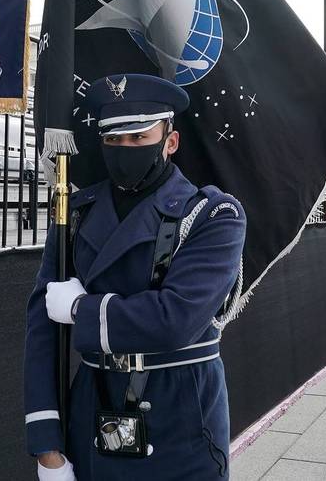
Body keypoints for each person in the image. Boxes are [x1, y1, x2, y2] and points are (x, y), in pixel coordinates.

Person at [23, 74, 246, 480]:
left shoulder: (213, 215)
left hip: (180, 414)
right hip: (94, 407)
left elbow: (174, 320)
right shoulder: (76, 211)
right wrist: (47, 448)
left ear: (170, 141)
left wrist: (79, 309)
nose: (124, 150)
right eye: (113, 140)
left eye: (138, 137)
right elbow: (42, 328)